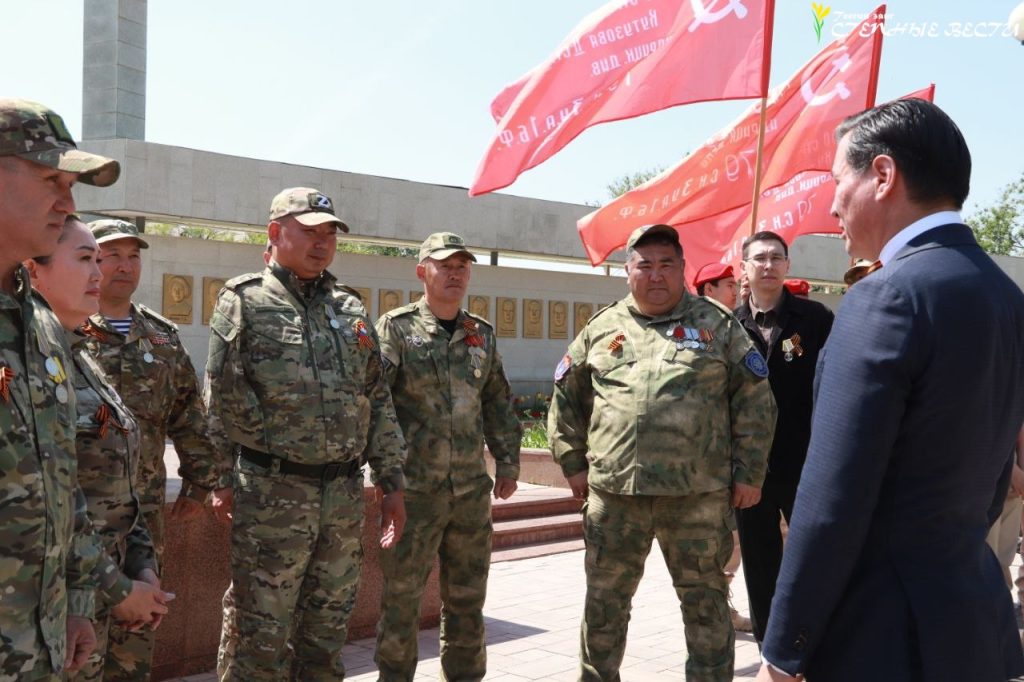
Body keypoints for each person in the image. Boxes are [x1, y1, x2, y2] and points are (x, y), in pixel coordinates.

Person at [756, 99, 1024, 682]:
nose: (832, 205)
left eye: (838, 181)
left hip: (881, 632)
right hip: (970, 616)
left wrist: (784, 646)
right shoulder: (1006, 296)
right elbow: (991, 477)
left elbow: (832, 496)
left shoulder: (888, 297)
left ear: (882, 175)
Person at [548, 224, 776, 681]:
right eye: (645, 265)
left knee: (706, 607)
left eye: (666, 264)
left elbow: (755, 401)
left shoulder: (717, 325)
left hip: (696, 499)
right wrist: (572, 463)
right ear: (627, 271)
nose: (656, 275)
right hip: (615, 498)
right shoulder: (602, 328)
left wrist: (749, 473)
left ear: (682, 268)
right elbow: (566, 396)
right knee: (604, 607)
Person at [205, 187, 407, 680]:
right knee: (260, 638)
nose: (322, 243)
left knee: (326, 637)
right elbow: (220, 394)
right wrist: (217, 478)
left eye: (330, 234)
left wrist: (392, 482)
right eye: (311, 232)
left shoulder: (350, 307)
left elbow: (376, 397)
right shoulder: (246, 300)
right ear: (275, 232)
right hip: (272, 496)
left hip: (341, 498)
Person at [0, 98, 119, 679]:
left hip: (38, 642)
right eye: (51, 180)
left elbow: (59, 476)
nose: (68, 204)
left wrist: (73, 601)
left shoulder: (41, 323)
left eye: (72, 187)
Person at [83, 218, 233, 680]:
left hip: (143, 513)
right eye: (111, 255)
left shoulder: (160, 335)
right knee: (79, 627)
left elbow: (189, 411)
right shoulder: (66, 327)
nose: (124, 266)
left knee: (137, 627)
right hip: (80, 510)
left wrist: (199, 480)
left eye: (133, 256)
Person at [27, 216, 174, 680]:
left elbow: (127, 484)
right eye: (85, 259)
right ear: (33, 271)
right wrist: (116, 590)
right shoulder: (28, 364)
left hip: (108, 588)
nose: (99, 273)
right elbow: (51, 500)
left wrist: (143, 566)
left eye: (98, 260)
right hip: (61, 596)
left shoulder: (81, 357)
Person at [374, 232, 522, 681]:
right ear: (423, 271)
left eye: (462, 266)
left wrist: (508, 461)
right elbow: (375, 402)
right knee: (401, 600)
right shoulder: (396, 329)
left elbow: (497, 401)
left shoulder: (480, 334)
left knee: (467, 601)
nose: (455, 274)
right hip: (414, 493)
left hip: (469, 495)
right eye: (445, 265)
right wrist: (386, 476)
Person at [734, 231, 834, 646]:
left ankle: (820, 642)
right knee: (759, 564)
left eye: (777, 257)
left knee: (817, 558)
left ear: (788, 266)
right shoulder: (729, 326)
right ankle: (770, 647)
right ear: (744, 268)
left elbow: (835, 385)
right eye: (759, 258)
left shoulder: (815, 319)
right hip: (749, 468)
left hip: (805, 462)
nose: (768, 265)